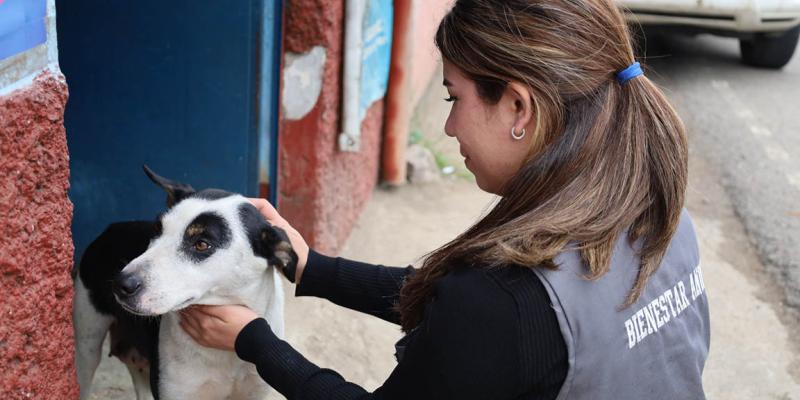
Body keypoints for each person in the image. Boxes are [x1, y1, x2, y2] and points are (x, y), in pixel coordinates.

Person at [178, 0, 710, 399]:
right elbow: (463, 321)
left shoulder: (502, 299)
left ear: (519, 108)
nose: (450, 126)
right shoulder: (659, 215)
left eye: (454, 97)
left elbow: (480, 317)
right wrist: (313, 268)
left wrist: (257, 342)